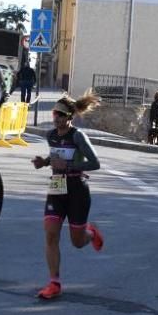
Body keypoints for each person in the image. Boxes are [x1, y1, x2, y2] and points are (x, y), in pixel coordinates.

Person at [31, 91, 104, 301]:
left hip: (77, 189)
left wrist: (70, 165)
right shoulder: (51, 135)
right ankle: (54, 282)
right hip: (57, 188)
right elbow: (56, 155)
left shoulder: (77, 136)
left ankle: (91, 233)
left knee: (77, 242)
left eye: (61, 115)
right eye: (55, 113)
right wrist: (44, 162)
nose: (56, 118)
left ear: (69, 117)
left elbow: (95, 163)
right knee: (51, 235)